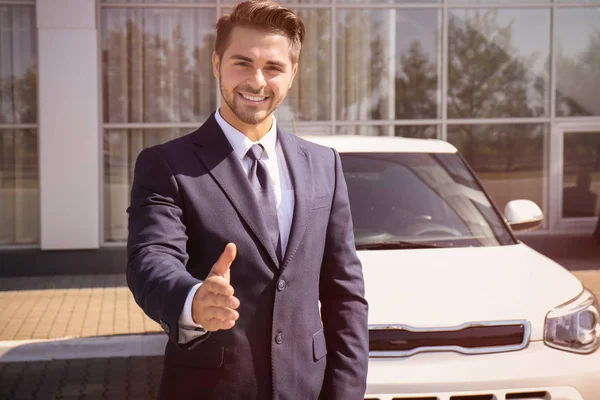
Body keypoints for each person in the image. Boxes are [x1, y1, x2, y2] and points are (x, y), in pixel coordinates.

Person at [126, 1, 369, 398]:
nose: (257, 81)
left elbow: (346, 295)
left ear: (292, 75)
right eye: (242, 63)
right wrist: (192, 299)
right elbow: (150, 259)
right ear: (217, 63)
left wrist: (345, 393)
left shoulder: (324, 165)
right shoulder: (166, 165)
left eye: (273, 67)